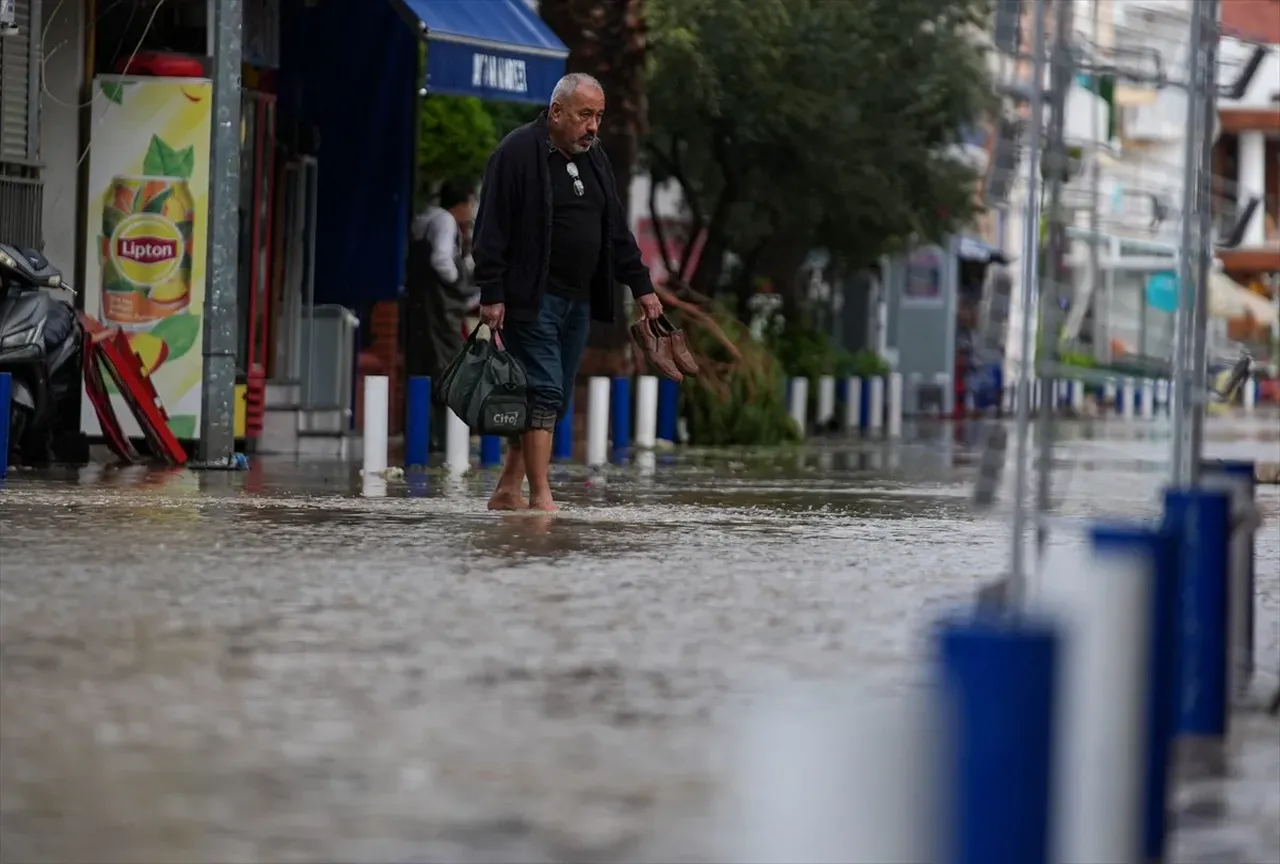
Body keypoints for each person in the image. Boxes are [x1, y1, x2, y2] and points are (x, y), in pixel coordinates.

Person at [472, 73, 662, 512]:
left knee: (549, 393)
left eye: (598, 116)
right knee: (546, 392)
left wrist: (643, 287)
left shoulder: (595, 158)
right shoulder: (516, 153)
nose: (593, 126)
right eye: (584, 115)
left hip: (579, 300)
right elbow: (491, 229)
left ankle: (506, 490)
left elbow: (615, 229)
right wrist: (492, 291)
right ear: (556, 112)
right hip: (532, 298)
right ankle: (541, 497)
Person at [404, 179, 476, 450]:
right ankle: (446, 437)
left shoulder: (427, 217)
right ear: (462, 203)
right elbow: (442, 260)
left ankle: (426, 434)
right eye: (470, 203)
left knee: (425, 364)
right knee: (446, 363)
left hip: (422, 305)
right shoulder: (445, 221)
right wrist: (459, 284)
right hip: (439, 306)